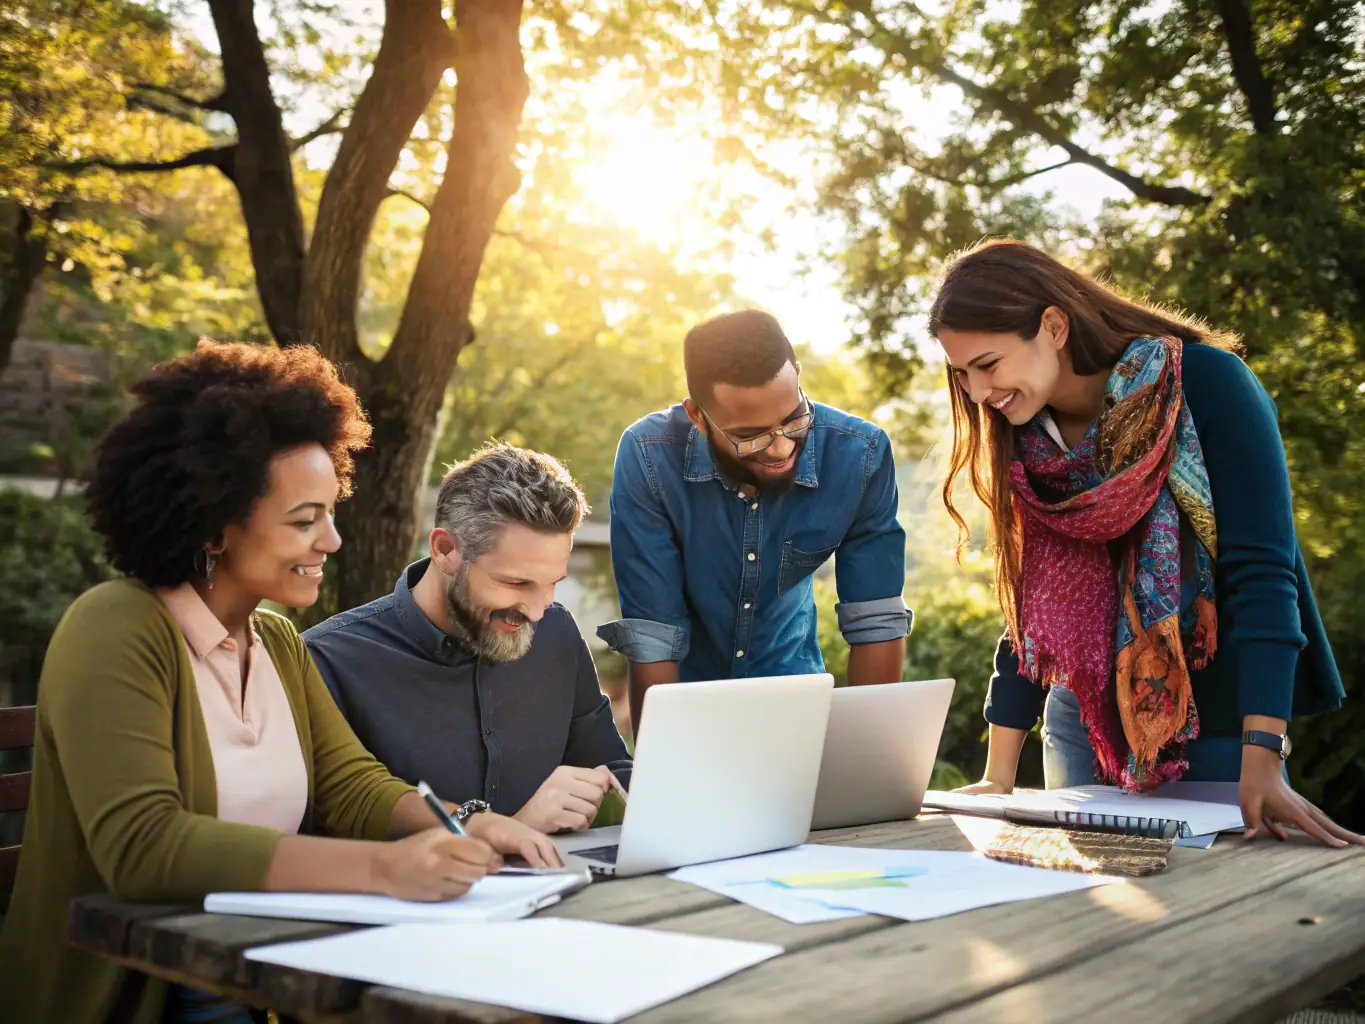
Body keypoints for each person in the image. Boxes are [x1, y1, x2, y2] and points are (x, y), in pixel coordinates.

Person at [0, 342, 559, 1024]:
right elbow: (143, 846)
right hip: (147, 986)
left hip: (259, 965)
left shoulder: (277, 643)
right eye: (303, 520)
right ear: (214, 526)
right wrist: (381, 870)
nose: (332, 541)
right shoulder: (117, 627)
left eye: (330, 511)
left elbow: (350, 785)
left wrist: (472, 824)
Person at [931, 238, 1362, 847]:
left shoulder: (1208, 384)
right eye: (963, 374)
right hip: (1082, 728)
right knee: (1094, 922)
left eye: (989, 364)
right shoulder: (1023, 437)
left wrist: (1262, 753)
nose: (978, 393)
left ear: (1053, 326)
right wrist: (998, 775)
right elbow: (1029, 608)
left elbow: (1263, 573)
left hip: (1214, 728)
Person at [600, 309, 910, 732]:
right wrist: (665, 767)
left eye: (794, 419)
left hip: (794, 704)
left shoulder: (861, 455)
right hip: (685, 708)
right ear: (697, 416)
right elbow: (654, 638)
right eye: (750, 435)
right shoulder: (649, 456)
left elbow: (875, 621)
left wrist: (870, 762)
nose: (781, 449)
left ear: (798, 376)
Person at [305, 443, 631, 838]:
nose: (537, 610)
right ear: (445, 549)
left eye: (551, 584)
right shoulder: (328, 661)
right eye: (515, 583)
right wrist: (511, 830)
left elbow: (612, 769)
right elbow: (330, 836)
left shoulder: (555, 633)